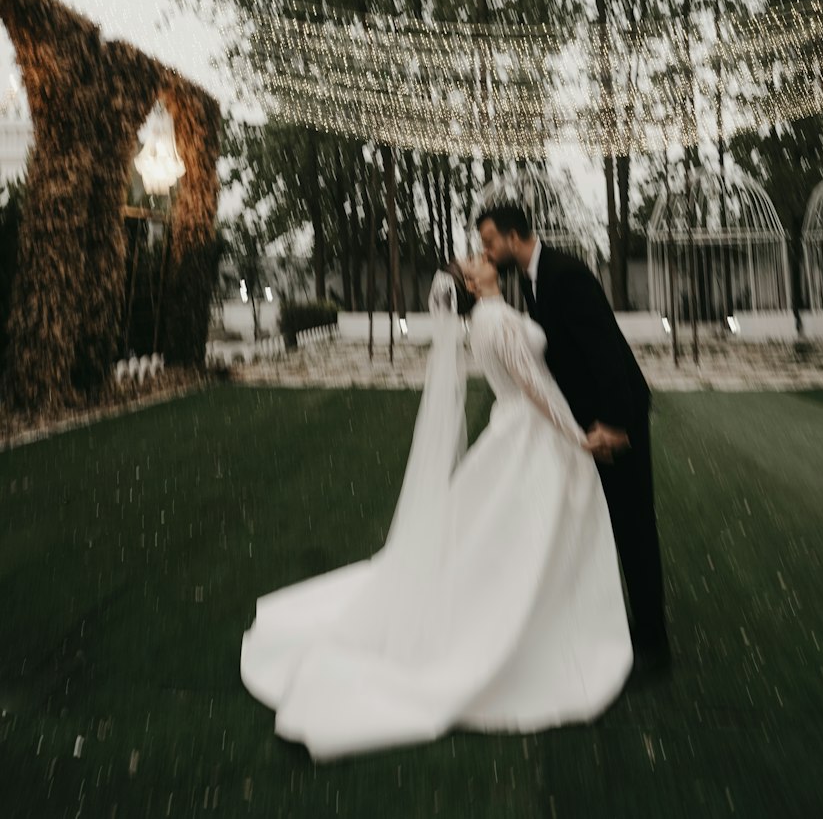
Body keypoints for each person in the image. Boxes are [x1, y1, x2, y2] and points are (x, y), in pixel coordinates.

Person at [239, 258, 633, 761]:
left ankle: (547, 611)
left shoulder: (494, 314)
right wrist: (577, 436)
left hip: (518, 428)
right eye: (473, 261)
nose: (482, 258)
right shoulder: (493, 321)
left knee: (508, 533)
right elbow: (532, 386)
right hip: (532, 432)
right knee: (525, 533)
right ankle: (532, 627)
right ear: (471, 283)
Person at [477, 202, 671, 682]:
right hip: (587, 421)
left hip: (617, 418)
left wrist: (616, 424)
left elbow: (606, 351)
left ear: (515, 235)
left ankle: (653, 646)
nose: (486, 250)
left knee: (633, 526)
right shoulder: (530, 279)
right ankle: (621, 622)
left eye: (490, 241)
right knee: (604, 523)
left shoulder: (566, 274)